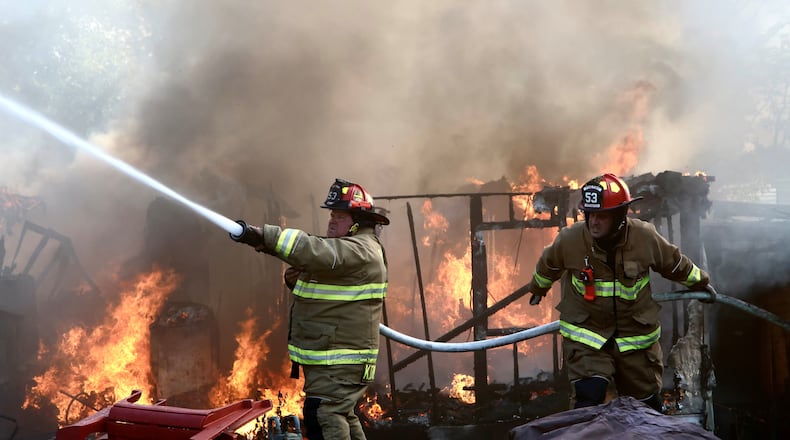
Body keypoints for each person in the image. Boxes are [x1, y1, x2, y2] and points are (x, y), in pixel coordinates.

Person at [526, 173, 716, 411]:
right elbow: (548, 265)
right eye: (590, 214)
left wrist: (699, 283)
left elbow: (674, 264)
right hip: (588, 336)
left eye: (602, 216)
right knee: (588, 400)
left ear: (619, 215)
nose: (594, 222)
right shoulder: (571, 239)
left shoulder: (644, 237)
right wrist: (539, 287)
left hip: (634, 338)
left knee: (645, 408)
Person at [231, 178, 389, 440]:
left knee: (324, 415)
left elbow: (311, 249)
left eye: (339, 215)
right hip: (335, 360)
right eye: (331, 214)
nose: (331, 220)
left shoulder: (360, 250)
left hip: (339, 361)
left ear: (359, 222)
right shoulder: (351, 252)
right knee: (341, 415)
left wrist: (261, 234)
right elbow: (315, 263)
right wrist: (271, 250)